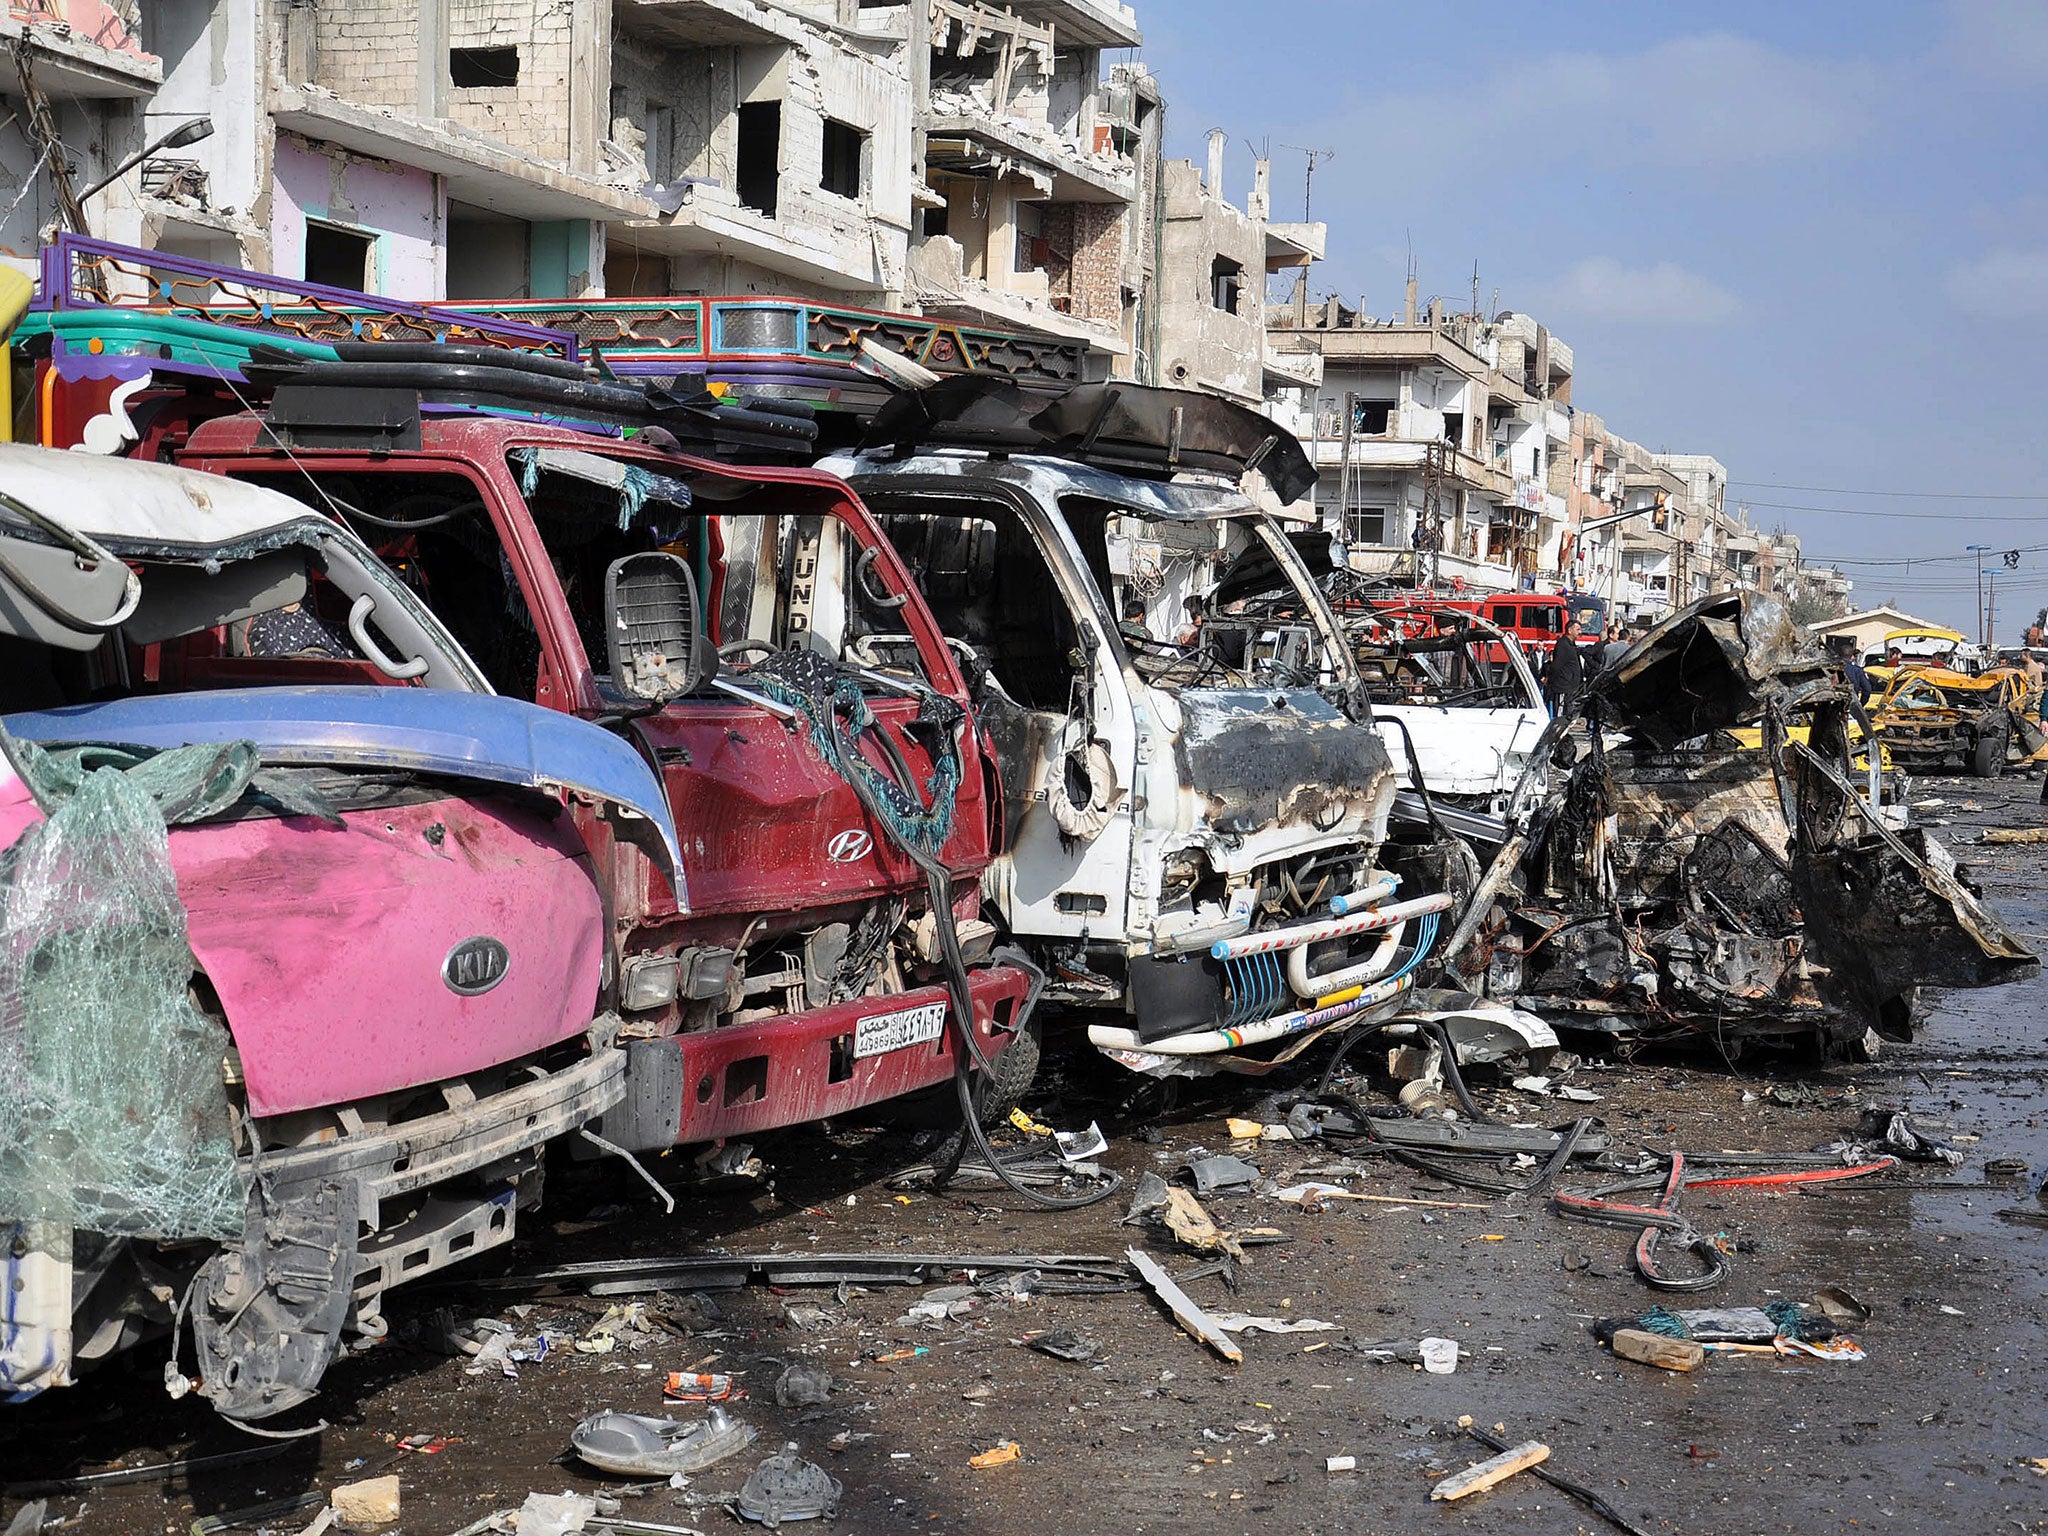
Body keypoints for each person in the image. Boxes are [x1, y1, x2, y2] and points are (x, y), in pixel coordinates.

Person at [1543, 612, 1586, 711]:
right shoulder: (1563, 644)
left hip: (1572, 686)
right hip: (1563, 686)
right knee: (1562, 712)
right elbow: (1557, 666)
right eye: (1577, 629)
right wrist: (1550, 679)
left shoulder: (1572, 644)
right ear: (1570, 630)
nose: (1580, 632)